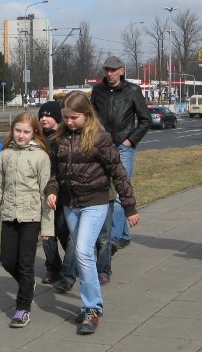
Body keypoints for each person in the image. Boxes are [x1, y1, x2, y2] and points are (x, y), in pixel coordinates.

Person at [45, 92, 140, 335]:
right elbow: (54, 171)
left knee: (83, 251)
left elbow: (118, 173)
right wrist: (52, 190)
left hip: (95, 203)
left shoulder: (100, 138)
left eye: (74, 117)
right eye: (65, 117)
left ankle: (92, 308)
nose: (69, 122)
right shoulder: (60, 139)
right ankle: (92, 302)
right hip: (70, 205)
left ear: (86, 115)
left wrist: (129, 206)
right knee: (80, 252)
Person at [0, 113, 53, 328]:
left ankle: (22, 308)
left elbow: (47, 193)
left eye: (26, 132)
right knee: (8, 261)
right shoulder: (5, 155)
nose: (21, 135)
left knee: (25, 264)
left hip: (31, 217)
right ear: (12, 130)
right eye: (18, 130)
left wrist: (47, 227)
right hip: (9, 215)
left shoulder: (41, 157)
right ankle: (28, 285)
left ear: (34, 133)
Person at [90, 55, 150, 284]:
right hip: (102, 145)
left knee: (120, 189)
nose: (110, 73)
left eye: (114, 70)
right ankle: (123, 234)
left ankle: (114, 237)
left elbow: (145, 120)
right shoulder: (98, 92)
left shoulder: (133, 91)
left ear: (122, 71)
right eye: (107, 69)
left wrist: (130, 141)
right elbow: (92, 116)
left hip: (123, 147)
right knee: (107, 189)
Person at [37, 101, 76, 288]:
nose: (43, 119)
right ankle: (53, 269)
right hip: (41, 195)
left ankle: (70, 269)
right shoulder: (36, 139)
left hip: (61, 195)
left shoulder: (63, 138)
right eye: (41, 116)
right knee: (47, 236)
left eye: (48, 115)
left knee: (64, 233)